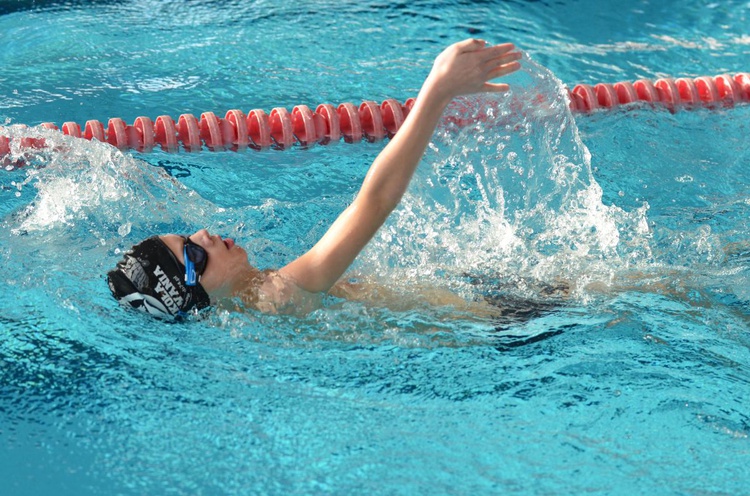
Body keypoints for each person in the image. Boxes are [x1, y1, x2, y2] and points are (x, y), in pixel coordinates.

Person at [107, 39, 523, 319]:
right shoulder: (275, 296)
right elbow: (374, 204)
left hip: (477, 306)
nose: (203, 235)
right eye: (194, 254)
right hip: (502, 316)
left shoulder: (253, 301)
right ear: (195, 295)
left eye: (188, 236)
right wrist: (437, 91)